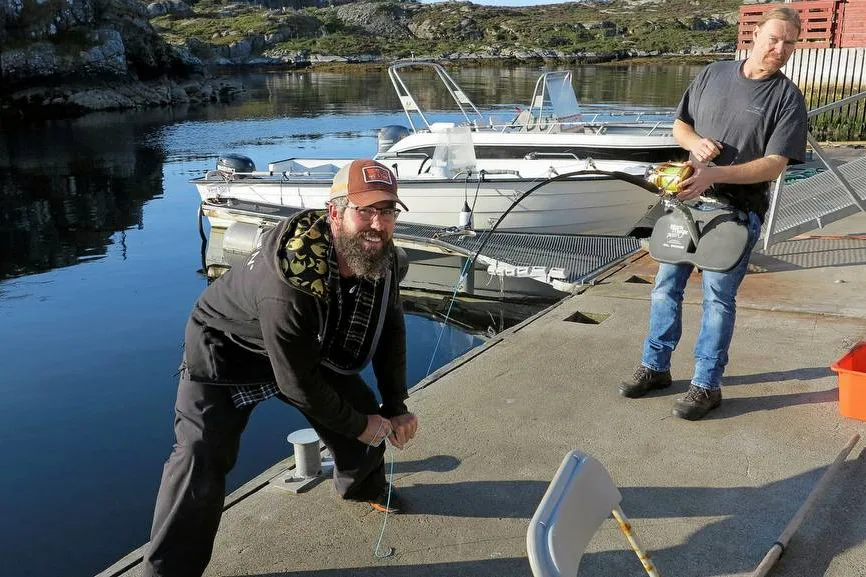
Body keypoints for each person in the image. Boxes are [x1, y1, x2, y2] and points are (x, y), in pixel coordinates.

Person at [143, 159, 420, 577]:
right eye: (365, 212)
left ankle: (363, 487)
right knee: (200, 456)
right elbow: (296, 383)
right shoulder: (289, 282)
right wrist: (360, 424)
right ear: (335, 213)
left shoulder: (383, 259)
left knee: (365, 420)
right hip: (227, 348)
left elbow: (390, 329)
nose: (377, 225)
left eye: (387, 211)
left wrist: (395, 405)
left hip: (306, 343)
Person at [619, 6, 807, 420]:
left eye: (789, 43)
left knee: (717, 300)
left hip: (736, 213)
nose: (780, 49)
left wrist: (715, 174)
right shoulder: (712, 74)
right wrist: (695, 143)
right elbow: (680, 126)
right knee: (665, 288)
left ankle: (706, 385)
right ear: (754, 35)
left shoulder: (787, 98)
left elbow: (775, 165)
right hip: (685, 204)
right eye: (774, 38)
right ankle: (655, 367)